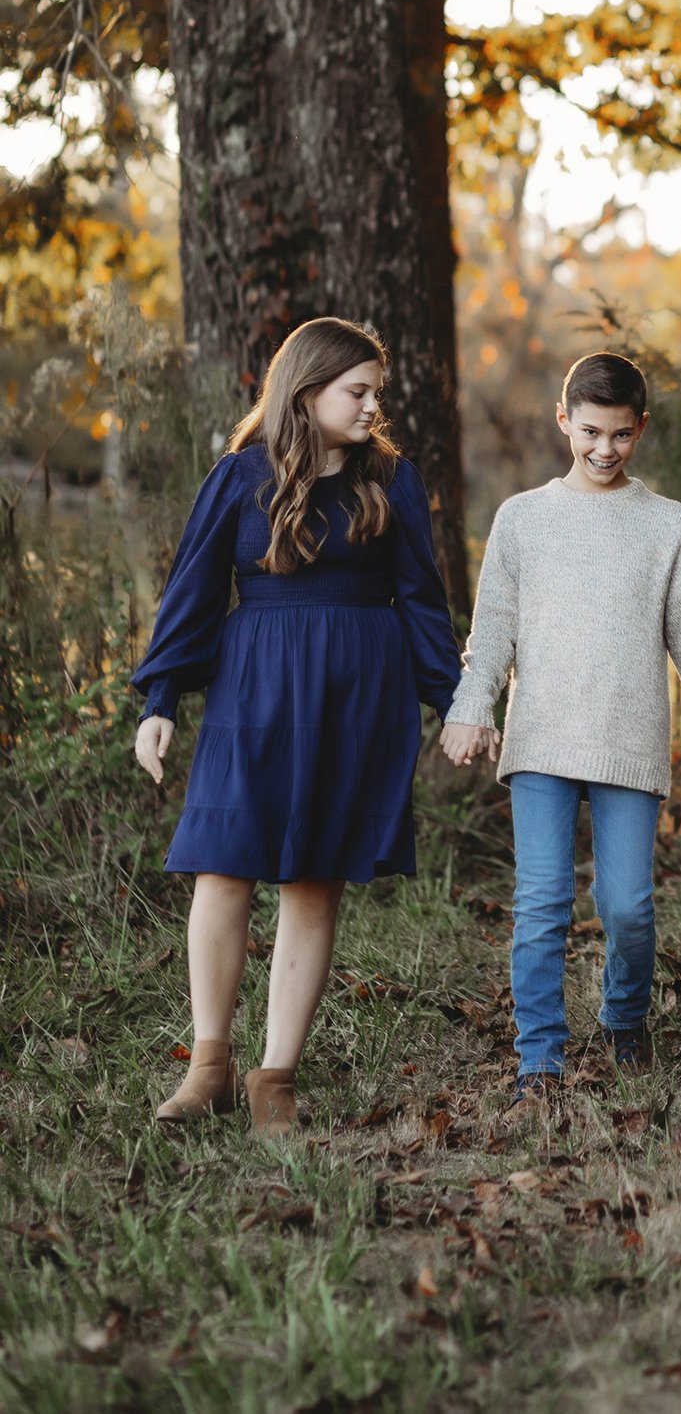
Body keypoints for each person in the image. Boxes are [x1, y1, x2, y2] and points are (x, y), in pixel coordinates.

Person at [132, 317, 461, 1135]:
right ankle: (209, 1065)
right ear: (306, 391)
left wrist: (456, 702)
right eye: (357, 391)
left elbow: (423, 600)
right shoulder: (241, 477)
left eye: (376, 392)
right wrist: (161, 700)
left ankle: (273, 1076)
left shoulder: (392, 479)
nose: (371, 405)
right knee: (224, 867)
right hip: (256, 693)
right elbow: (194, 592)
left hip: (359, 699)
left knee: (315, 879)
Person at [440, 351, 681, 1115]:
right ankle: (539, 1057)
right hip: (542, 737)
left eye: (621, 435)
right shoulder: (523, 519)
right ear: (562, 419)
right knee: (541, 901)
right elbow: (495, 629)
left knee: (628, 906)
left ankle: (624, 1019)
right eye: (590, 432)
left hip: (628, 740)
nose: (604, 450)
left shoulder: (668, 525)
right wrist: (471, 705)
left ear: (641, 429)